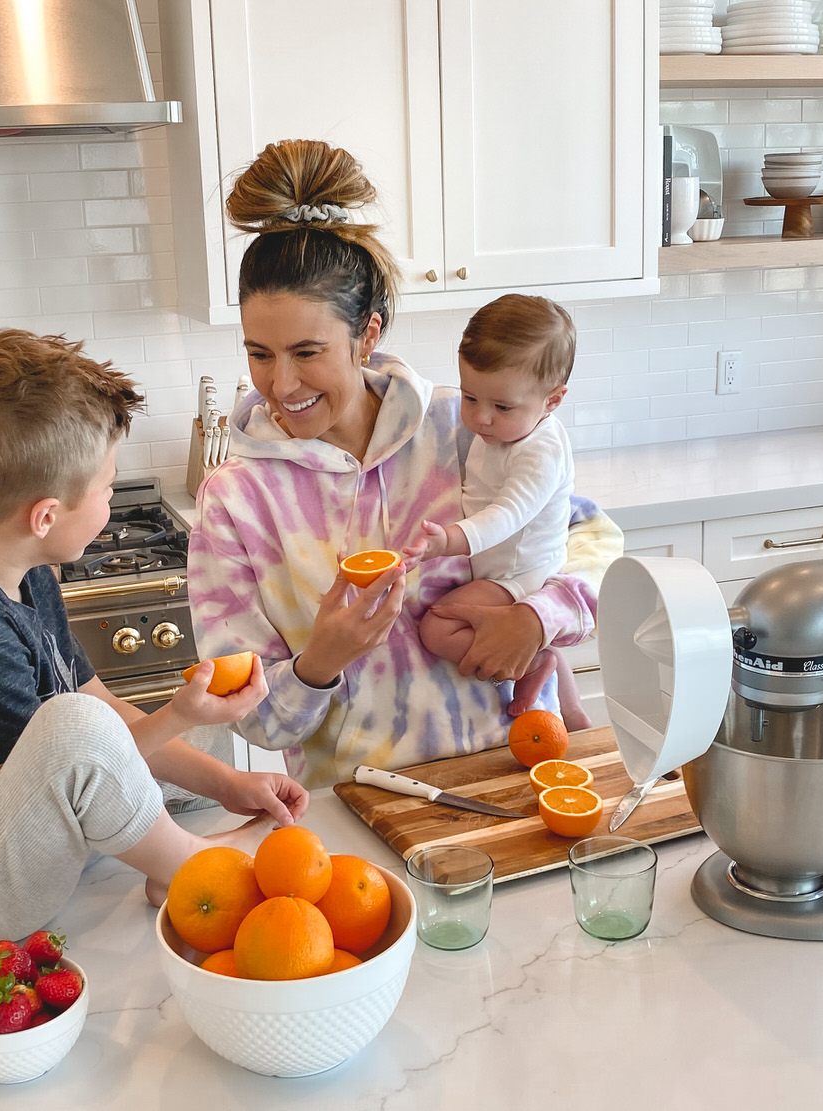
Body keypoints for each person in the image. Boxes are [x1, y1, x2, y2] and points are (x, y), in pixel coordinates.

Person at [0, 329, 308, 947]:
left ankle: (174, 860)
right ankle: (198, 870)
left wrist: (232, 785)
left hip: (16, 834)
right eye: (109, 486)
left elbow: (101, 708)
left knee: (167, 735)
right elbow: (66, 762)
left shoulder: (23, 570)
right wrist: (176, 714)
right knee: (82, 728)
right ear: (45, 516)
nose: (113, 499)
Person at [187, 139, 624, 788]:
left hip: (521, 777)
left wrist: (538, 617)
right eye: (259, 353)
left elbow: (592, 539)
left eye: (307, 352)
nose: (281, 385)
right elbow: (253, 716)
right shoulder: (236, 501)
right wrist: (321, 661)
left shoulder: (465, 426)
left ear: (368, 333)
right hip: (362, 814)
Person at [402, 294, 590, 731]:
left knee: (438, 628)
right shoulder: (504, 431)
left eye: (501, 406)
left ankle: (534, 661)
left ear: (553, 400)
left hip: (520, 574)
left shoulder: (541, 449)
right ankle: (552, 673)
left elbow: (508, 513)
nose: (481, 418)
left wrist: (449, 541)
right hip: (502, 569)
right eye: (470, 397)